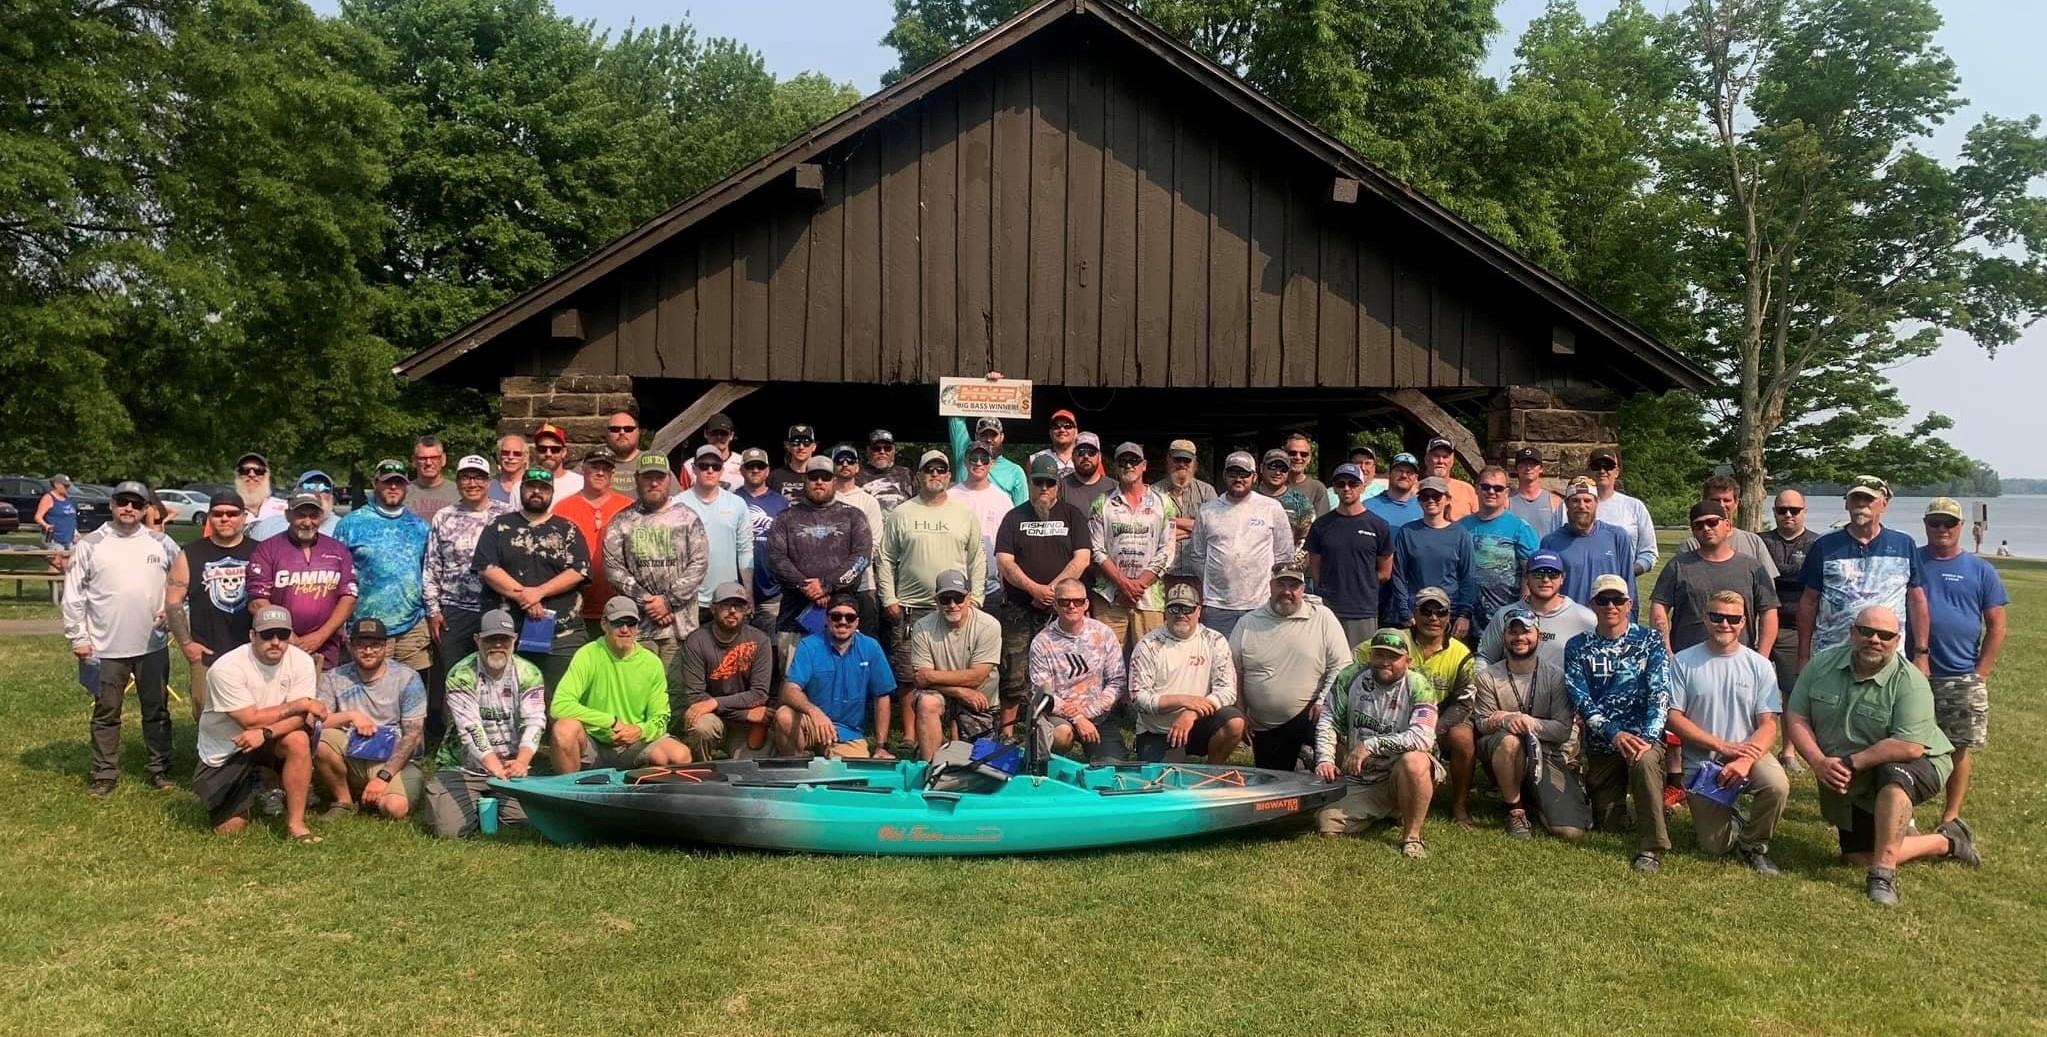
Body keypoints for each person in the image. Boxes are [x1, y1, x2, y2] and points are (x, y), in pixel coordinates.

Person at [1786, 606, 1974, 906]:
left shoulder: (1910, 681)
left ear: (1896, 640)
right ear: (1852, 632)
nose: (1875, 639)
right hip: (1853, 772)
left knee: (1893, 776)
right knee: (1854, 856)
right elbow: (1796, 715)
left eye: (1885, 635)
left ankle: (1883, 876)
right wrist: (1819, 762)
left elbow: (1910, 746)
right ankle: (1946, 842)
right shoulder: (1821, 665)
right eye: (1866, 631)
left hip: (1918, 762)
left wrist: (1850, 763)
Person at [63, 480, 180, 796]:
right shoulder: (91, 544)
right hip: (104, 647)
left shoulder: (162, 544)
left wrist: (174, 613)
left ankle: (160, 769)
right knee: (106, 711)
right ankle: (104, 774)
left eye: (136, 503)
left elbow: (184, 584)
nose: (129, 508)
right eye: (122, 502)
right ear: (112, 505)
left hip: (152, 644)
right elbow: (73, 595)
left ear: (146, 509)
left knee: (156, 710)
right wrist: (78, 638)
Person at [1665, 591, 1788, 874]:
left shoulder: (1758, 665)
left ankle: (1753, 845)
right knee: (1715, 847)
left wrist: (1744, 759)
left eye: (1733, 619)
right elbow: (1673, 718)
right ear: (1705, 619)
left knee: (1776, 785)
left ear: (1743, 622)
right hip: (1702, 763)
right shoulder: (1683, 662)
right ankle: (1733, 818)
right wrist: (1722, 746)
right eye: (1717, 617)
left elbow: (1769, 724)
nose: (1725, 624)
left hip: (1749, 754)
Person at [1563, 573, 1674, 873]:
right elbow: (1581, 699)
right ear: (1593, 606)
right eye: (1603, 600)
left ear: (1629, 605)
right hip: (1603, 744)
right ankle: (1646, 807)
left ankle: (1652, 847)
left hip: (1642, 741)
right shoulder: (1577, 646)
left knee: (1645, 762)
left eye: (1617, 600)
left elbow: (1660, 693)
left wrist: (1648, 738)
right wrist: (1614, 735)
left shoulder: (1649, 640)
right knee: (1609, 825)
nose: (1610, 606)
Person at [193, 607, 323, 840]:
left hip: (267, 737)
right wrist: (299, 704)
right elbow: (249, 719)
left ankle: (296, 824)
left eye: (282, 636)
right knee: (230, 829)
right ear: (252, 636)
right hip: (229, 746)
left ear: (290, 635)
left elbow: (300, 719)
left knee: (298, 740)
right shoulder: (225, 668)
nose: (275, 642)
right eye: (267, 635)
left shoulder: (302, 661)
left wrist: (266, 733)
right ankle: (260, 782)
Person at [879, 450, 984, 734]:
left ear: (950, 476)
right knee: (909, 674)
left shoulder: (963, 514)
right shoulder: (901, 513)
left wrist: (977, 597)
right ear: (919, 476)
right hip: (911, 607)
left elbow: (977, 557)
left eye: (941, 470)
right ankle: (912, 735)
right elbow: (886, 558)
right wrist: (889, 597)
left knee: (950, 671)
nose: (935, 474)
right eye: (929, 470)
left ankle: (952, 733)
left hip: (954, 606)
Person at [1917, 497, 2006, 828]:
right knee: (1908, 745)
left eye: (1949, 523)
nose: (1941, 529)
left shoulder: (1980, 569)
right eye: (1935, 523)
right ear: (1925, 524)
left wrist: (1981, 672)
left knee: (1958, 750)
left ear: (1961, 527)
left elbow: (1997, 625)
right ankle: (1903, 811)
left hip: (1960, 675)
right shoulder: (1913, 561)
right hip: (1914, 672)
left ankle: (1950, 814)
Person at [1314, 628, 1442, 858]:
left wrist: (1371, 745)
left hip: (1401, 772)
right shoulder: (1349, 676)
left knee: (1414, 761)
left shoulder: (1420, 686)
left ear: (1408, 660)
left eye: (1393, 657)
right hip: (1362, 777)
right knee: (1326, 823)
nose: (1384, 662)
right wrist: (1324, 758)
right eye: (1379, 655)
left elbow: (1423, 737)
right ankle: (1390, 809)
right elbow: (1328, 718)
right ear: (1370, 655)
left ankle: (1412, 836)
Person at [422, 609, 547, 838]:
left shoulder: (531, 674)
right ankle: (468, 802)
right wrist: (494, 766)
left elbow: (534, 721)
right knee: (450, 831)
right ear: (477, 640)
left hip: (511, 768)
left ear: (515, 640)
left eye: (504, 639)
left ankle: (487, 806)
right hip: (462, 767)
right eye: (490, 639)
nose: (497, 645)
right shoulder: (460, 674)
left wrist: (521, 762)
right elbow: (470, 728)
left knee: (529, 824)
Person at [993, 456, 1093, 730]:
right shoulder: (1014, 517)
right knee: (1013, 672)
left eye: (1050, 482)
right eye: (1039, 482)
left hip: (1062, 609)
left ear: (1058, 485)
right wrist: (1033, 588)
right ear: (1030, 483)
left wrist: (1054, 591)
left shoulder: (1073, 515)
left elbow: (1082, 559)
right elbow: (1004, 561)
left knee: (1060, 672)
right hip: (1019, 607)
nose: (1044, 488)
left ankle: (1051, 728)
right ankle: (1008, 732)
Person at [1470, 607, 1587, 840]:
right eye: (1512, 632)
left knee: (1571, 832)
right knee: (1510, 742)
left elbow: (1563, 730)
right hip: (1501, 750)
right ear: (1504, 637)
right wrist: (1506, 719)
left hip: (1545, 754)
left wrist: (1528, 722)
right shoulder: (1487, 677)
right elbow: (1482, 722)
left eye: (1526, 631)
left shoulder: (1556, 677)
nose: (1519, 638)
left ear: (1539, 637)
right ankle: (1515, 809)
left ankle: (1532, 798)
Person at [473, 467, 590, 693]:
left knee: (560, 701)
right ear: (522, 489)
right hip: (507, 633)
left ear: (552, 492)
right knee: (507, 699)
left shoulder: (568, 529)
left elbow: (579, 570)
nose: (537, 492)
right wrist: (525, 596)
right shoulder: (498, 526)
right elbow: (487, 568)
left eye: (544, 488)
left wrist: (539, 592)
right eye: (531, 486)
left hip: (562, 633)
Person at [1796, 476, 1928, 670]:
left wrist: (1921, 653)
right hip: (1832, 657)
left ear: (1884, 504)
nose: (1861, 504)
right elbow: (1809, 601)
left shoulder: (1903, 544)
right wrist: (1803, 656)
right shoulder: (1824, 545)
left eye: (1868, 499)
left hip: (1887, 658)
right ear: (1847, 504)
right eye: (1855, 498)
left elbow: (1917, 601)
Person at [1230, 564, 1350, 772]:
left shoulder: (1322, 617)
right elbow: (1234, 672)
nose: (1287, 591)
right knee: (1274, 788)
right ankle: (1301, 762)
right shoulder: (1247, 623)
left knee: (1330, 719)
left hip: (1310, 715)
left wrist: (1323, 699)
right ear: (1270, 586)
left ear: (1303, 590)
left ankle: (1335, 783)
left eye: (1293, 585)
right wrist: (1241, 712)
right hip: (1264, 726)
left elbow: (1341, 665)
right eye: (1281, 584)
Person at [548, 597, 689, 770]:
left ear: (637, 626)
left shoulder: (652, 663)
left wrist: (639, 730)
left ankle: (645, 791)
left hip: (634, 744)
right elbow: (559, 706)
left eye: (630, 623)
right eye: (617, 623)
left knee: (680, 756)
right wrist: (610, 721)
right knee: (564, 729)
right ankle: (568, 791)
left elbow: (660, 717)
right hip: (593, 742)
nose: (624, 629)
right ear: (604, 624)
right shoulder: (587, 654)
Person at [312, 618, 427, 820]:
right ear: (350, 645)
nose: (368, 651)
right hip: (352, 754)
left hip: (395, 760)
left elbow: (413, 735)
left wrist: (383, 777)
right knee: (322, 739)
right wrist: (350, 716)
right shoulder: (334, 677)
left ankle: (379, 791)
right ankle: (343, 800)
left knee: (394, 809)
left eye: (375, 645)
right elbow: (317, 722)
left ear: (385, 646)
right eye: (361, 645)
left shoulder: (407, 678)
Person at [605, 453, 711, 665]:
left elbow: (699, 563)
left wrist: (668, 601)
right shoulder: (621, 521)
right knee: (639, 693)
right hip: (637, 629)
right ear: (637, 479)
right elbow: (613, 568)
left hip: (681, 628)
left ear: (669, 480)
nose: (654, 483)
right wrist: (648, 602)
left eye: (659, 477)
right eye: (647, 477)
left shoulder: (687, 517)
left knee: (677, 693)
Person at [334, 459, 433, 674]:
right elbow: (337, 577)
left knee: (414, 691)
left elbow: (429, 574)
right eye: (387, 482)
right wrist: (340, 623)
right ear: (376, 483)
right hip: (366, 628)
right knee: (371, 694)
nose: (393, 487)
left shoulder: (420, 526)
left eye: (399, 482)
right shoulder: (351, 524)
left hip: (412, 628)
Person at [766, 456, 872, 657]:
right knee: (792, 683)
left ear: (834, 480)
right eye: (814, 477)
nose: (819, 482)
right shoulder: (784, 518)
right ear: (805, 480)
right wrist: (806, 586)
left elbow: (861, 558)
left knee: (842, 683)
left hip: (843, 619)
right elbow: (776, 559)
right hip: (793, 619)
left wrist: (826, 585)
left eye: (825, 477)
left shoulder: (854, 516)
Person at [425, 455, 514, 691]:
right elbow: (433, 565)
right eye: (465, 477)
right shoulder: (444, 516)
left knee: (498, 676)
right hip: (455, 610)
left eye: (478, 478)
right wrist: (433, 609)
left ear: (488, 481)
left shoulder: (507, 515)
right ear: (457, 481)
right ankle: (456, 726)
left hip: (499, 607)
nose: (472, 483)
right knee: (456, 677)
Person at [1129, 584, 1245, 763]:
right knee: (1165, 788)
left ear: (1199, 611)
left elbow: (1227, 690)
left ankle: (1212, 774)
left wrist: (1191, 713)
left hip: (1200, 723)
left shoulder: (1215, 640)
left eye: (1187, 608)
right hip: (1159, 730)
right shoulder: (1148, 646)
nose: (1181, 614)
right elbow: (1138, 699)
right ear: (1165, 612)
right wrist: (1183, 700)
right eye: (1174, 608)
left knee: (1234, 722)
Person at [167, 492, 257, 721]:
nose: (224, 519)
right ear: (209, 517)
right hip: (206, 651)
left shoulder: (260, 552)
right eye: (218, 514)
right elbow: (173, 602)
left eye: (232, 514)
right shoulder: (190, 553)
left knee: (253, 713)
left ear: (244, 517)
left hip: (251, 651)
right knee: (206, 713)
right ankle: (208, 757)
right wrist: (187, 644)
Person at [776, 592, 895, 758]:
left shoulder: (870, 647)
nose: (843, 622)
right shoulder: (809, 645)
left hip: (847, 733)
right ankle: (795, 767)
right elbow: (789, 690)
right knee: (784, 716)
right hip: (812, 723)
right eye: (836, 616)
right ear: (826, 619)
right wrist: (814, 712)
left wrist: (881, 746)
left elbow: (882, 696)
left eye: (850, 617)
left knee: (852, 778)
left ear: (857, 622)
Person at [1650, 500, 1779, 653]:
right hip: (1687, 660)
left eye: (1712, 522)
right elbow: (1659, 608)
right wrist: (1666, 653)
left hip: (1738, 660)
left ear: (1727, 525)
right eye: (1699, 525)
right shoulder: (1678, 566)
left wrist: (1762, 657)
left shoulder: (1752, 567)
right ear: (1693, 531)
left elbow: (1769, 612)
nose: (1706, 528)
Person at [248, 491, 357, 670]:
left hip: (326, 648)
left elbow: (349, 597)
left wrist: (321, 636)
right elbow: (257, 602)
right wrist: (288, 635)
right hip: (278, 645)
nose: (307, 522)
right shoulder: (267, 549)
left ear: (321, 517)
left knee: (321, 697)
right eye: (300, 515)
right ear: (288, 515)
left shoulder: (338, 549)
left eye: (313, 515)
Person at [1187, 451, 1292, 637]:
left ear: (1254, 476)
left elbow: (1283, 555)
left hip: (1260, 604)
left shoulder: (1271, 508)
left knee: (1258, 660)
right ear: (1224, 475)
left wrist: (1272, 590)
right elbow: (1196, 555)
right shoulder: (1207, 510)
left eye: (1244, 474)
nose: (1238, 479)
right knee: (1219, 661)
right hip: (1217, 606)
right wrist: (1214, 580)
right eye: (1233, 473)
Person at [906, 570, 1002, 760]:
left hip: (980, 701)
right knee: (927, 702)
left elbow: (977, 676)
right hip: (944, 696)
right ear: (936, 601)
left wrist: (931, 677)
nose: (952, 605)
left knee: (982, 765)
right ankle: (931, 770)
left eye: (958, 598)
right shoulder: (922, 627)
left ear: (969, 598)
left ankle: (947, 748)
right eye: (945, 599)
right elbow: (920, 678)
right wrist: (959, 691)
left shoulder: (989, 625)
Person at [1089, 442, 1178, 649]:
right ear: (1116, 467)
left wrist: (1138, 586)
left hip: (1149, 596)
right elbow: (1097, 550)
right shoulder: (1101, 502)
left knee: (1150, 659)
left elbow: (1167, 550)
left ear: (1144, 465)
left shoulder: (1164, 502)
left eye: (1134, 461)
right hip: (1109, 595)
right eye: (1123, 461)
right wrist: (1124, 584)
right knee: (1104, 659)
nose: (1129, 466)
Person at [674, 581, 774, 761]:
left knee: (752, 764)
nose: (733, 610)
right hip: (714, 717)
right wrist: (742, 712)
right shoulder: (696, 641)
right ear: (713, 609)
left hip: (745, 724)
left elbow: (759, 694)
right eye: (726, 605)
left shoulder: (761, 640)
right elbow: (696, 698)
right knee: (700, 726)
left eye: (739, 605)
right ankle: (701, 771)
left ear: (746, 610)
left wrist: (715, 703)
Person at [1028, 577, 1126, 761]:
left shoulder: (1104, 633)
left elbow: (1118, 681)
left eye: (1077, 601)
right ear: (1055, 605)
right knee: (1061, 736)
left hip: (1098, 715)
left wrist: (1087, 713)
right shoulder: (1042, 642)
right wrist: (1077, 719)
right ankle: (1050, 767)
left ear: (1086, 604)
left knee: (1112, 769)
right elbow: (1041, 692)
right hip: (1059, 716)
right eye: (1064, 602)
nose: (1071, 606)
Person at [1408, 587, 1478, 824]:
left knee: (1464, 737)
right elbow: (1357, 662)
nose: (1433, 618)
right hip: (1398, 718)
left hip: (1443, 720)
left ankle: (1459, 806)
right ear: (1414, 614)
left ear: (1449, 616)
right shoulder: (1396, 641)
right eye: (1426, 611)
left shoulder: (1463, 655)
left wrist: (1431, 730)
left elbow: (1464, 703)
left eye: (1441, 612)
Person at [1305, 462, 1394, 647]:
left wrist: (1362, 584)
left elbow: (1385, 571)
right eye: (1341, 484)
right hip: (1327, 609)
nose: (1347, 488)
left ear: (1362, 487)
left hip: (1363, 610)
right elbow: (1314, 567)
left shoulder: (1379, 525)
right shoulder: (1321, 525)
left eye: (1353, 483)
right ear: (1335, 489)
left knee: (1360, 667)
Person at [1763, 488, 1820, 769]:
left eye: (1794, 510)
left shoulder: (1816, 544)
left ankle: (1788, 751)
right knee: (1752, 688)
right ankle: (1754, 745)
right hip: (1760, 623)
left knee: (1792, 691)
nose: (1787, 515)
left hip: (1795, 628)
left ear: (1804, 512)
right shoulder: (1761, 542)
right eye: (1781, 510)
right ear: (1773, 512)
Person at [553, 446, 632, 637]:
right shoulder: (563, 508)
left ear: (613, 473)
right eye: (594, 467)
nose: (600, 472)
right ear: (583, 469)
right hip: (574, 607)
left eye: (605, 468)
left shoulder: (629, 507)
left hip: (619, 605)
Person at [1476, 550, 1596, 669]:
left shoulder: (1585, 618)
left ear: (1562, 578)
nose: (1545, 580)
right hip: (1512, 686)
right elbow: (1485, 657)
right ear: (1526, 577)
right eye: (1538, 574)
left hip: (1562, 687)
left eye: (1552, 574)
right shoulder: (1504, 615)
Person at [677, 444, 754, 625]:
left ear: (722, 470)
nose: (710, 470)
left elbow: (745, 550)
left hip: (727, 597)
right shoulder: (677, 503)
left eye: (715, 466)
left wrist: (748, 593)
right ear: (694, 468)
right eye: (704, 465)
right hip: (688, 598)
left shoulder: (737, 504)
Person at [1458, 466, 1540, 636]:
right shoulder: (1461, 526)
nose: (1491, 492)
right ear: (1476, 488)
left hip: (1506, 620)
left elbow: (1530, 572)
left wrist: (1523, 610)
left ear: (1507, 492)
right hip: (1465, 618)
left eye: (1498, 488)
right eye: (1486, 486)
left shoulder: (1520, 527)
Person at [1539, 478, 1634, 617]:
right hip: (1567, 621)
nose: (1581, 506)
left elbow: (1629, 585)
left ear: (1596, 503)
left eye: (1587, 501)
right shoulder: (1550, 542)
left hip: (1607, 621)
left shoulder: (1617, 537)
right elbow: (1544, 588)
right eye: (1575, 500)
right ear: (1566, 504)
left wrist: (1631, 622)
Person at [1391, 478, 1475, 633]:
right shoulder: (1407, 532)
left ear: (1447, 499)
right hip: (1416, 613)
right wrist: (1405, 612)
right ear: (1419, 500)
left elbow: (1468, 578)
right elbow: (1398, 576)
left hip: (1450, 614)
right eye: (1425, 496)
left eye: (1436, 496)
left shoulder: (1460, 534)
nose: (1431, 500)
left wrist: (1465, 615)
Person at [828, 443, 887, 634]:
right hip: (827, 585)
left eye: (850, 460)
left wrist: (847, 575)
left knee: (866, 640)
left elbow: (874, 545)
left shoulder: (869, 501)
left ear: (857, 467)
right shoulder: (823, 499)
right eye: (840, 460)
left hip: (863, 585)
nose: (845, 464)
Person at [1676, 476, 1780, 581]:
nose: (1721, 505)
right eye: (1715, 500)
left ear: (1736, 503)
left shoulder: (1754, 542)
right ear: (1704, 501)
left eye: (1726, 500)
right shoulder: (1690, 545)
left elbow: (1767, 585)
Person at [1588, 448, 1656, 601]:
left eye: (1608, 466)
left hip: (1621, 591)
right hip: (1582, 588)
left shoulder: (1634, 506)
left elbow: (1648, 553)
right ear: (1589, 472)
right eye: (1597, 466)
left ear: (1617, 472)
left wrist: (1625, 573)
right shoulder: (1572, 506)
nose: (1602, 470)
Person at [951, 444, 1014, 606]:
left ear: (991, 463)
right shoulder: (950, 497)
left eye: (984, 459)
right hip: (955, 588)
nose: (978, 463)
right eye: (973, 458)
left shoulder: (1003, 500)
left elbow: (1010, 545)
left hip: (992, 588)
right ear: (965, 462)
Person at [736, 447, 789, 632]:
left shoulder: (782, 503)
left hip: (773, 593)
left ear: (767, 470)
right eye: (750, 466)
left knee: (772, 648)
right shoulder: (732, 500)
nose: (755, 470)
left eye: (760, 466)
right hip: (737, 591)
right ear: (741, 470)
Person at [946, 385, 1027, 504]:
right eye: (984, 435)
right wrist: (985, 384)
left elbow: (1021, 512)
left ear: (1002, 437)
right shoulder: (964, 454)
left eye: (993, 435)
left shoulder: (1015, 471)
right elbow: (955, 413)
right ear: (976, 437)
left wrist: (995, 385)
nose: (989, 439)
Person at [1255, 447, 1315, 559]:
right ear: (1262, 468)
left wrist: (1288, 567)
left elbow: (1307, 541)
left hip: (1286, 571)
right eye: (1273, 466)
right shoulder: (1247, 498)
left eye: (1283, 468)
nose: (1278, 472)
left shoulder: (1301, 503)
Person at [1152, 439, 1217, 541]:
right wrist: (1194, 530)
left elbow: (1214, 528)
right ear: (1168, 459)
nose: (1182, 464)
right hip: (1166, 556)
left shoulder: (1207, 491)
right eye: (1177, 459)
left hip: (1197, 557)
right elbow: (1152, 531)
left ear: (1194, 462)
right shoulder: (1154, 492)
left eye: (1187, 460)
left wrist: (1170, 521)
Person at [246, 470, 339, 540]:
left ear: (332, 497)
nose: (317, 493)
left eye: (325, 488)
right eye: (309, 486)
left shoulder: (346, 528)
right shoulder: (268, 526)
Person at [856, 428, 915, 512]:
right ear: (868, 451)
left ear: (894, 450)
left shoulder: (907, 474)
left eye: (887, 448)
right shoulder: (857, 475)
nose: (882, 452)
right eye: (876, 448)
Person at [1506, 447, 1562, 535]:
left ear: (1541, 469)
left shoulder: (1555, 502)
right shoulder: (1506, 501)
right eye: (1524, 464)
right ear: (1516, 469)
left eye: (1533, 464)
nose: (1528, 468)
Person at [1421, 437, 1479, 519]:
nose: (1441, 461)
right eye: (1436, 456)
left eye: (1445, 457)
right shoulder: (1416, 490)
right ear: (1426, 459)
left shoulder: (1467, 490)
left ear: (1452, 461)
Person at [406, 436, 460, 521]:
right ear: (414, 461)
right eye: (423, 458)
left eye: (434, 458)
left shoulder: (459, 493)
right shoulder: (402, 493)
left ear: (443, 459)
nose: (428, 463)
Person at [1363, 451, 1422, 529]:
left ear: (1416, 478)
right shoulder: (1368, 507)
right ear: (1389, 474)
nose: (1404, 475)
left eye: (1409, 472)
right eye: (1399, 470)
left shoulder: (1424, 506)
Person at [1058, 432, 1114, 514]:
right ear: (1073, 456)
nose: (1086, 456)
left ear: (1100, 457)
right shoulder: (1061, 488)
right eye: (1081, 452)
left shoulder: (1114, 487)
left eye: (1091, 452)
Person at [1281, 432, 1330, 518]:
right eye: (1292, 453)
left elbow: (1322, 525)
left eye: (1304, 454)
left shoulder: (1317, 488)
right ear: (1284, 455)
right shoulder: (1273, 485)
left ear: (1309, 458)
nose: (1298, 458)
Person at [529, 422, 584, 498]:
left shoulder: (581, 484)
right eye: (542, 449)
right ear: (536, 452)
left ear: (564, 452)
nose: (548, 454)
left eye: (555, 449)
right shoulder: (523, 485)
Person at [233, 452, 288, 524]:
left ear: (267, 476)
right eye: (244, 471)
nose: (251, 475)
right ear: (237, 476)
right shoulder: (225, 510)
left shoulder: (285, 508)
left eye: (259, 471)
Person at [770, 423, 819, 501]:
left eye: (806, 442)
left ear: (814, 446)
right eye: (795, 442)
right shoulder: (774, 476)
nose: (801, 447)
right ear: (788, 446)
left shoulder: (822, 476)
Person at [1031, 407, 1082, 477]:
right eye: (1056, 427)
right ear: (1050, 432)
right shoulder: (1035, 459)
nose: (1062, 430)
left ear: (1076, 432)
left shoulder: (1088, 458)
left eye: (1067, 426)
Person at [33, 473, 78, 553]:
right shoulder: (48, 498)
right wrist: (46, 525)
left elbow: (71, 518)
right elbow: (38, 517)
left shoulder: (68, 499)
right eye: (65, 486)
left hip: (68, 538)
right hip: (53, 538)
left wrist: (75, 532)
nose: (67, 488)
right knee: (57, 561)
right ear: (56, 485)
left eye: (68, 486)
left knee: (68, 563)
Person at [700, 412, 743, 490]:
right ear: (705, 434)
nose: (719, 437)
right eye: (714, 433)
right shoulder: (689, 466)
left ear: (731, 435)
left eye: (724, 433)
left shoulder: (744, 463)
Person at [488, 434, 529, 505]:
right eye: (505, 453)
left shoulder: (534, 485)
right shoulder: (487, 486)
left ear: (525, 458)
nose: (510, 457)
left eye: (517, 454)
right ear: (498, 456)